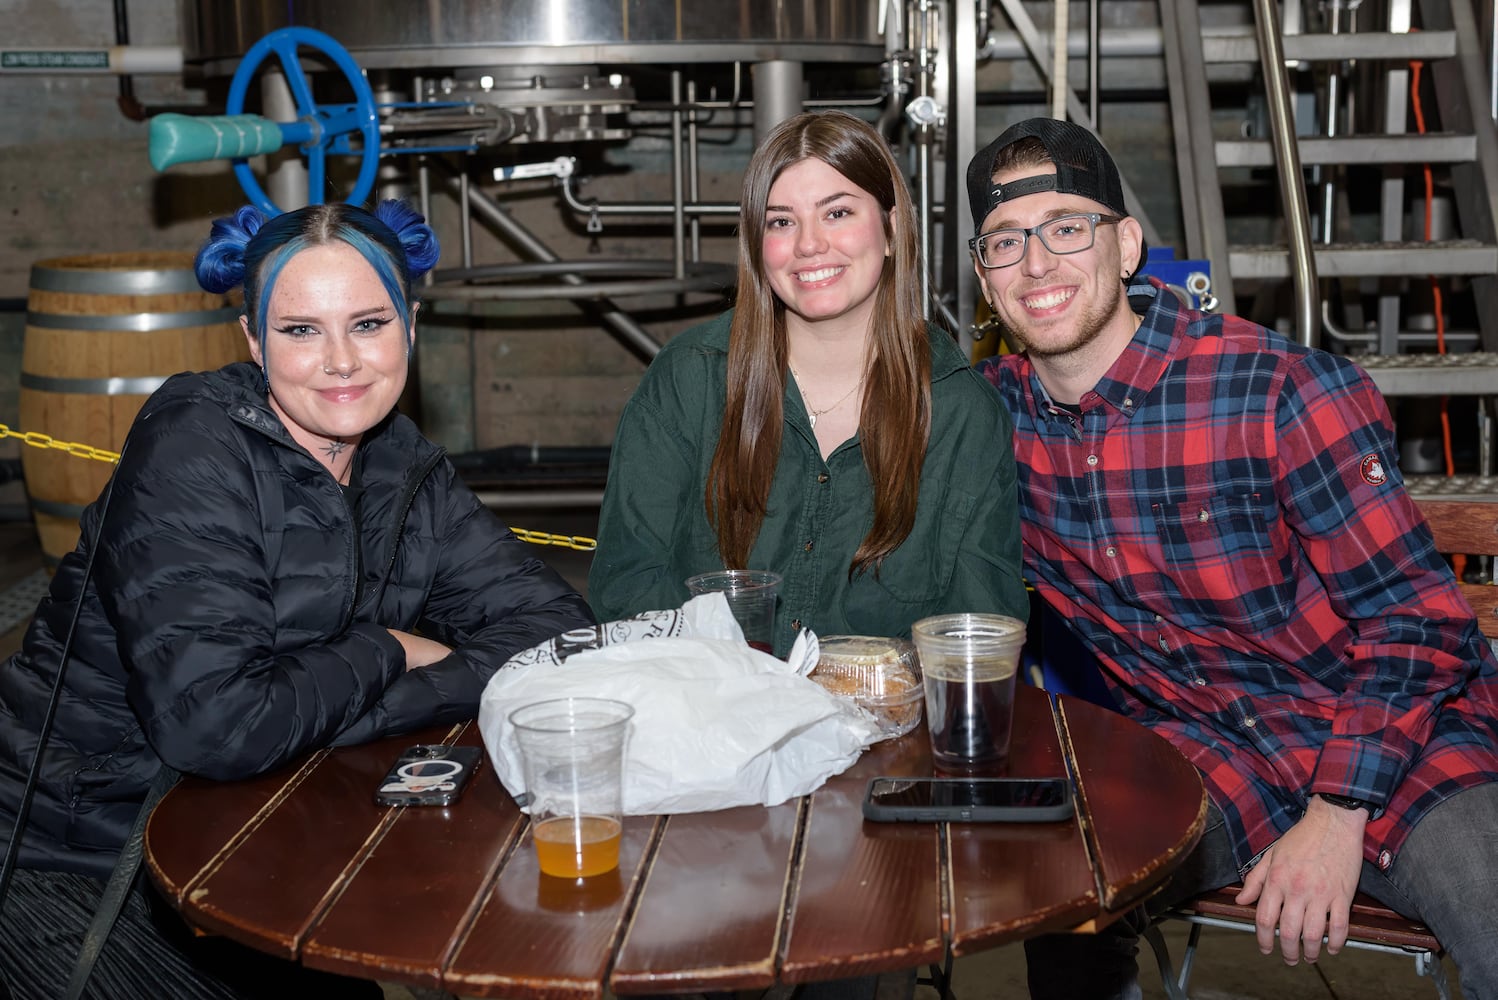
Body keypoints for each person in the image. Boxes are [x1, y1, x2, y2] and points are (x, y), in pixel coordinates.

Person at [0, 200, 595, 999]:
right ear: (253, 340)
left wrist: (334, 704)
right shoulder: (193, 445)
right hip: (82, 858)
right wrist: (387, 649)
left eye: (369, 323)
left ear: (411, 326)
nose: (342, 360)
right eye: (301, 330)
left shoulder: (402, 463)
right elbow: (216, 726)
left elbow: (561, 635)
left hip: (266, 835)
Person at [967, 116, 1498, 998]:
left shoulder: (1279, 390)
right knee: (1064, 888)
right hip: (1205, 748)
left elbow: (1417, 622)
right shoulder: (988, 423)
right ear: (984, 278)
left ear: (1126, 244)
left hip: (1396, 740)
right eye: (1006, 242)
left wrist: (1337, 813)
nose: (1037, 265)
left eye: (1066, 229)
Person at [589, 110, 1028, 655]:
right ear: (757, 245)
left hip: (887, 728)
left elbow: (978, 638)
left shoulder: (963, 412)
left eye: (837, 212)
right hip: (711, 720)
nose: (809, 244)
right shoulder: (689, 380)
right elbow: (626, 589)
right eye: (781, 221)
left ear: (891, 228)